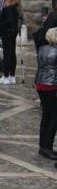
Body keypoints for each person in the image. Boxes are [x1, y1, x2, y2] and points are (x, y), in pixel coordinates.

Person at [35, 28, 57, 160]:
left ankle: (42, 146)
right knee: (54, 118)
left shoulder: (42, 49)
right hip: (52, 86)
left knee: (46, 116)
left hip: (41, 85)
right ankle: (47, 147)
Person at [0, 0, 21, 85]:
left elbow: (9, 20)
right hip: (12, 31)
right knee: (12, 53)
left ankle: (6, 76)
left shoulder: (9, 6)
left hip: (7, 32)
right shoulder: (15, 4)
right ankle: (12, 76)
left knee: (7, 54)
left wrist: (0, 25)